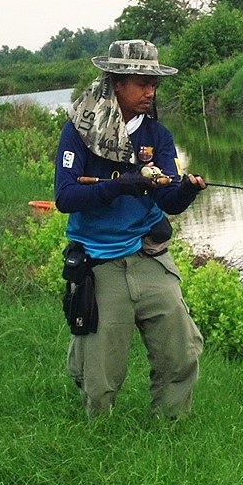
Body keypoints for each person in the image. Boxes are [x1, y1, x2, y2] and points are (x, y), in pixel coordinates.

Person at [54, 39, 206, 419]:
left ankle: (173, 429)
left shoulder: (158, 137)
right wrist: (119, 185)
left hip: (148, 255)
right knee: (100, 377)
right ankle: (98, 436)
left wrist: (185, 190)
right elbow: (65, 197)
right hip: (99, 261)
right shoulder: (78, 131)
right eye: (141, 83)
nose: (149, 92)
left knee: (182, 352)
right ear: (117, 83)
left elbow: (168, 199)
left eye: (154, 85)